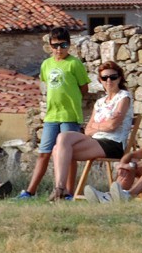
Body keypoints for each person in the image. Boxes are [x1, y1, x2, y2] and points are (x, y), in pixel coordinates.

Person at [18, 27, 89, 198]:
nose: (59, 49)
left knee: (69, 155)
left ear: (69, 45)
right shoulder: (46, 64)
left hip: (69, 115)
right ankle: (30, 191)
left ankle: (68, 192)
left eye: (63, 45)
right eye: (55, 45)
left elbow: (84, 88)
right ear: (50, 46)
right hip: (51, 115)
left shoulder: (74, 64)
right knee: (44, 153)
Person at [48, 61, 133, 201]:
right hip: (95, 140)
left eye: (113, 77)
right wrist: (103, 124)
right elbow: (88, 130)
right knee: (61, 140)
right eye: (105, 78)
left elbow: (112, 126)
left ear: (119, 78)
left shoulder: (124, 97)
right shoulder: (100, 102)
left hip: (113, 143)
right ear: (100, 80)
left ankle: (60, 190)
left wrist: (97, 125)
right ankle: (61, 188)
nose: (109, 81)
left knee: (60, 149)